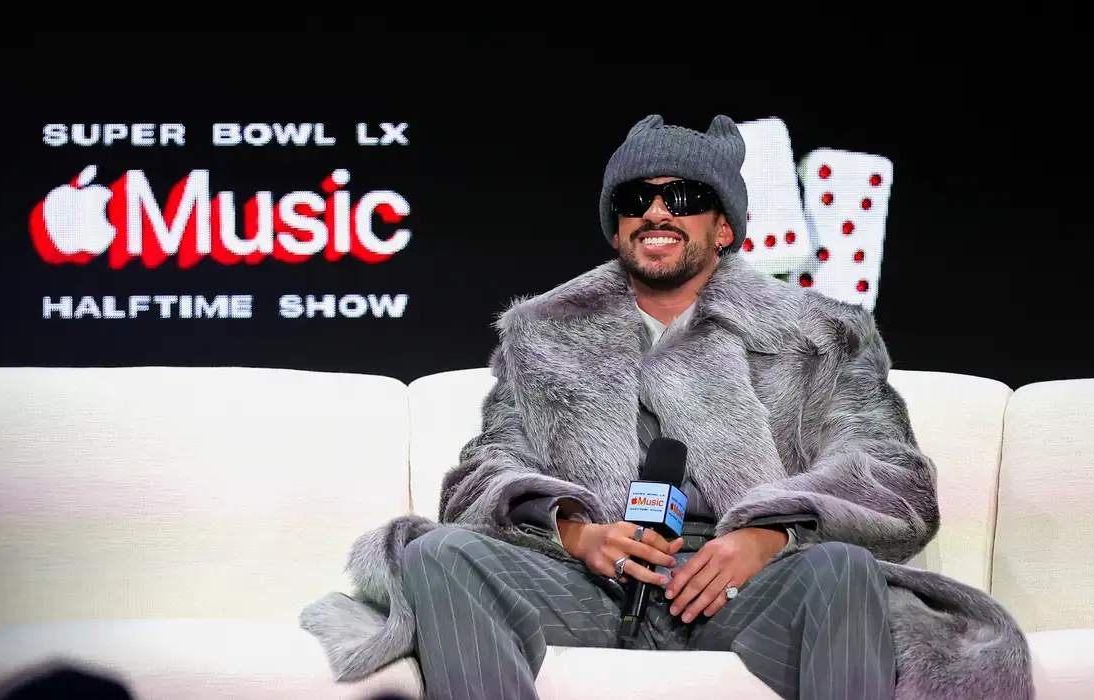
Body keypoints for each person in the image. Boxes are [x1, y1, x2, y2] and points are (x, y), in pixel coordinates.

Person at [301, 115, 1034, 700]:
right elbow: (484, 473)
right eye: (635, 199)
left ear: (724, 227)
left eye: (684, 198)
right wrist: (577, 531)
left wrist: (768, 536)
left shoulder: (818, 335)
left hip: (748, 585)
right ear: (616, 225)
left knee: (840, 569)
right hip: (589, 583)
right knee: (438, 553)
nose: (656, 211)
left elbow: (893, 478)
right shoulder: (544, 337)